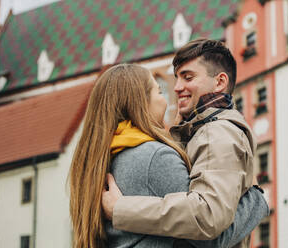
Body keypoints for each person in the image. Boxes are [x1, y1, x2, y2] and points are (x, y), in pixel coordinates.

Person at [69, 63, 268, 248]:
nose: (166, 100)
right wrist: (256, 199)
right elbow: (211, 237)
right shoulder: (154, 157)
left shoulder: (102, 161)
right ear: (140, 102)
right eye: (160, 91)